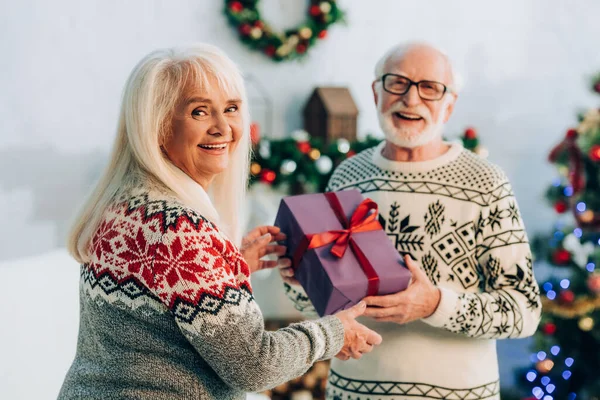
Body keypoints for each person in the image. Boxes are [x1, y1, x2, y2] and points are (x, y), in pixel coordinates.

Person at [58, 44, 382, 400]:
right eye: (200, 111)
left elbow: (155, 308)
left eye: (231, 109)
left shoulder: (123, 205)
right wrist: (333, 333)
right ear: (159, 125)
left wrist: (230, 266)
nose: (223, 127)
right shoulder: (181, 230)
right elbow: (255, 365)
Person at [280, 42, 541, 400]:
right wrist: (298, 279)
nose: (411, 99)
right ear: (376, 92)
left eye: (430, 88)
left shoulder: (485, 183)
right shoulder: (347, 177)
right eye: (397, 83)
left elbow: (523, 310)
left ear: (449, 104)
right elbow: (325, 305)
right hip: (353, 393)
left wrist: (434, 304)